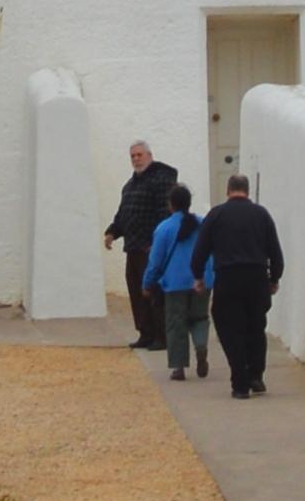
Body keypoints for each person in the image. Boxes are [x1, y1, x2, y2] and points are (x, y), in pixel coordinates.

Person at [193, 168, 285, 397]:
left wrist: (198, 276)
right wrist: (274, 278)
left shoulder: (216, 215)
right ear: (247, 191)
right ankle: (256, 375)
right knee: (256, 327)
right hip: (256, 277)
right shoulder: (262, 215)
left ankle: (240, 382)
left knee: (229, 329)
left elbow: (200, 251)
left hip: (228, 278)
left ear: (227, 191)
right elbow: (275, 251)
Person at [104, 138, 186, 352]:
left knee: (154, 292)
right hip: (133, 247)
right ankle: (146, 333)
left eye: (139, 155)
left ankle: (161, 335)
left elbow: (164, 212)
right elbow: (124, 214)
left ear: (150, 156)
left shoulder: (161, 180)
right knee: (137, 292)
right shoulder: (130, 186)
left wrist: (155, 242)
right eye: (133, 156)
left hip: (151, 249)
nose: (136, 159)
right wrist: (113, 232)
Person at [145, 188, 214, 382]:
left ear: (171, 204)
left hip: (174, 282)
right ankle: (201, 346)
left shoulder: (164, 228)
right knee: (200, 318)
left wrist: (147, 283)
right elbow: (213, 253)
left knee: (176, 324)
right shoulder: (203, 224)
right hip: (202, 279)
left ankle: (179, 366)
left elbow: (155, 261)